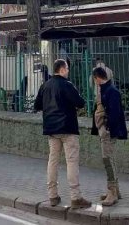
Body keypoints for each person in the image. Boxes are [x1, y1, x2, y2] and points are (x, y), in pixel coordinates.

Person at [34, 58, 90, 209]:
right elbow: (80, 102)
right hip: (68, 128)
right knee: (71, 162)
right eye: (67, 68)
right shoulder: (67, 85)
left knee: (53, 161)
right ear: (62, 69)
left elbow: (37, 105)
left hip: (51, 129)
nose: (68, 71)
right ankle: (75, 197)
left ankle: (52, 195)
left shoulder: (45, 85)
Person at [90, 66, 127, 206]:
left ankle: (112, 192)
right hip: (104, 129)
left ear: (97, 78)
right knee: (110, 158)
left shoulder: (111, 91)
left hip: (107, 130)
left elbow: (114, 113)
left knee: (107, 159)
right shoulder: (105, 90)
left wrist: (108, 129)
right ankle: (115, 190)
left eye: (94, 79)